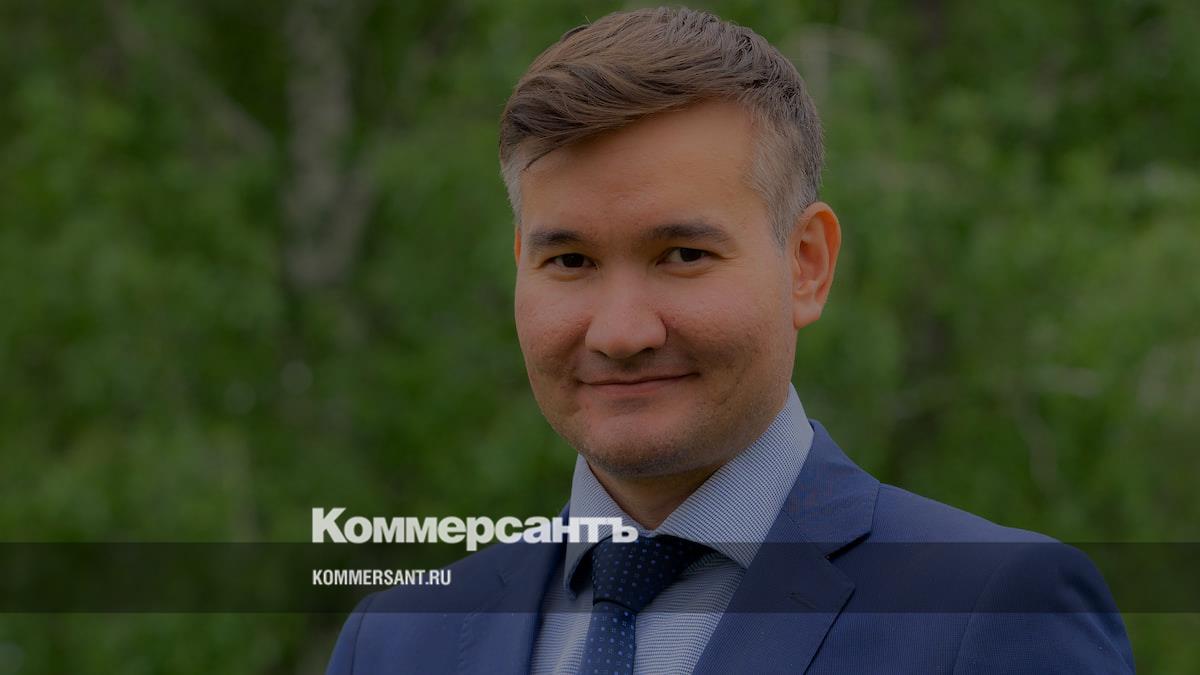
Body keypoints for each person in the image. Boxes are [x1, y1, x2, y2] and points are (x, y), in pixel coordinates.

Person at [327, 7, 1134, 673]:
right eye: (570, 261)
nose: (621, 332)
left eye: (682, 255)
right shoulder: (397, 641)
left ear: (807, 265)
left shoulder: (994, 615)